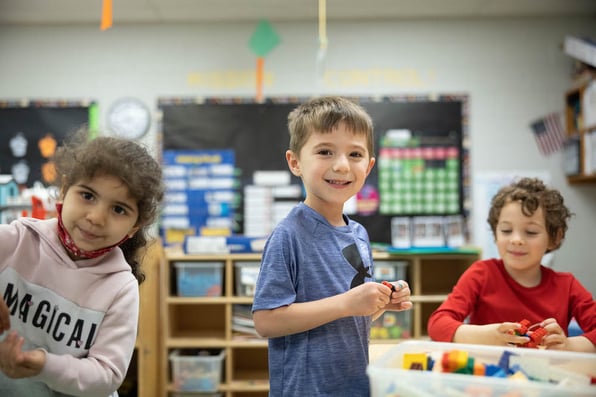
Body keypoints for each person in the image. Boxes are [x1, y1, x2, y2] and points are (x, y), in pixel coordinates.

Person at [252, 96, 412, 396]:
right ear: (295, 162)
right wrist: (347, 303)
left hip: (353, 385)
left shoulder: (359, 235)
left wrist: (379, 303)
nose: (341, 166)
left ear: (369, 165)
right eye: (325, 151)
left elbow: (348, 317)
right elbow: (265, 321)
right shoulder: (288, 235)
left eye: (355, 154)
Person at [0, 129, 164, 396]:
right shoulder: (17, 240)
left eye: (118, 209)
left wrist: (45, 365)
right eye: (87, 195)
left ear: (134, 227)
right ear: (65, 189)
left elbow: (107, 375)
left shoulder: (120, 287)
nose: (96, 217)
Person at [428, 177, 596, 353]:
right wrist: (483, 336)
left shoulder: (567, 286)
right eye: (506, 230)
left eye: (531, 232)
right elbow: (438, 323)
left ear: (555, 238)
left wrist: (568, 346)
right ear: (495, 233)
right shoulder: (481, 274)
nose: (516, 240)